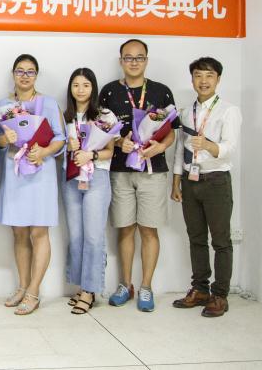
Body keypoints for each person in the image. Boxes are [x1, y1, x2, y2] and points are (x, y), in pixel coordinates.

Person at [99, 39, 179, 312]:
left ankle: (146, 286)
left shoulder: (161, 91)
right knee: (125, 228)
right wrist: (118, 143)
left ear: (146, 60)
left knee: (148, 229)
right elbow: (101, 130)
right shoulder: (109, 91)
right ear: (121, 60)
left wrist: (161, 147)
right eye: (128, 57)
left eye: (139, 57)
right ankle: (126, 284)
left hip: (152, 170)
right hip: (120, 170)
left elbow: (171, 131)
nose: (134, 62)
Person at [171, 57, 241, 318]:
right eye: (198, 75)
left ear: (218, 79)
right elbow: (180, 148)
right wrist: (176, 180)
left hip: (216, 181)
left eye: (209, 75)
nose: (203, 81)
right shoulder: (186, 112)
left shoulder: (228, 111)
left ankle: (220, 295)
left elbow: (230, 147)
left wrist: (211, 146)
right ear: (192, 79)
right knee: (196, 238)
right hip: (190, 182)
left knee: (221, 241)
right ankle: (200, 289)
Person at [0, 54, 65, 316]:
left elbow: (60, 137)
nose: (25, 76)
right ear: (13, 74)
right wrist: (5, 140)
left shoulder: (49, 103)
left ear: (36, 75)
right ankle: (22, 286)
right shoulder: (3, 106)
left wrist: (44, 152)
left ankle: (34, 292)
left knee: (39, 232)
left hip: (41, 173)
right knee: (19, 232)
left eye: (30, 71)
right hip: (15, 172)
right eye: (20, 71)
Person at [62, 68, 117, 315]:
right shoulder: (65, 117)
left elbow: (110, 152)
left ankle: (90, 290)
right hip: (72, 180)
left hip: (97, 179)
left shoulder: (105, 115)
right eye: (76, 85)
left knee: (94, 236)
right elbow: (57, 149)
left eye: (85, 85)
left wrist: (90, 154)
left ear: (93, 88)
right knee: (76, 236)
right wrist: (68, 146)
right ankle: (81, 285)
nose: (80, 90)